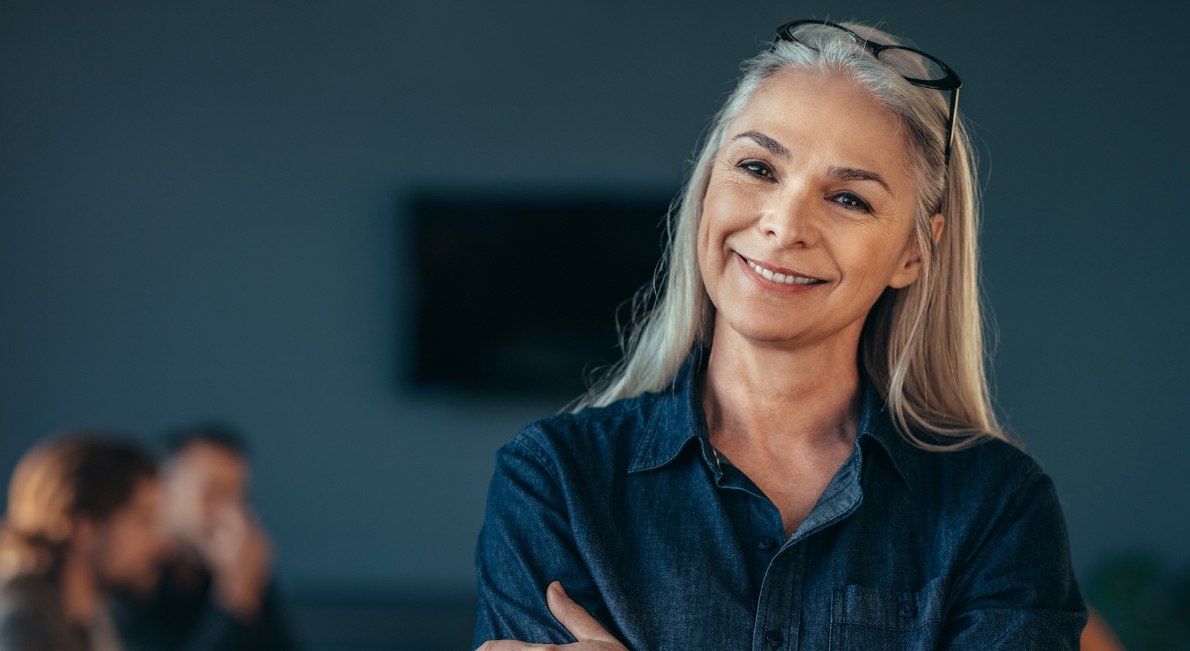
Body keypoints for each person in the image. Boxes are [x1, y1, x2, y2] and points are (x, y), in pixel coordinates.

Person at [473, 18, 1087, 650]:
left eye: (849, 198)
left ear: (913, 252)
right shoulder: (555, 480)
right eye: (758, 167)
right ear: (708, 185)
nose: (783, 224)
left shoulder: (997, 507)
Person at [112, 424, 300, 651]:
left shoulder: (237, 566)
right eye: (213, 493)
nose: (230, 514)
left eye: (237, 496)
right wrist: (234, 598)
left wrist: (247, 588)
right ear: (163, 490)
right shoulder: (133, 572)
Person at [0, 434, 168, 651]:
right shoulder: (20, 622)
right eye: (145, 521)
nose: (160, 542)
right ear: (83, 528)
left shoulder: (93, 621)